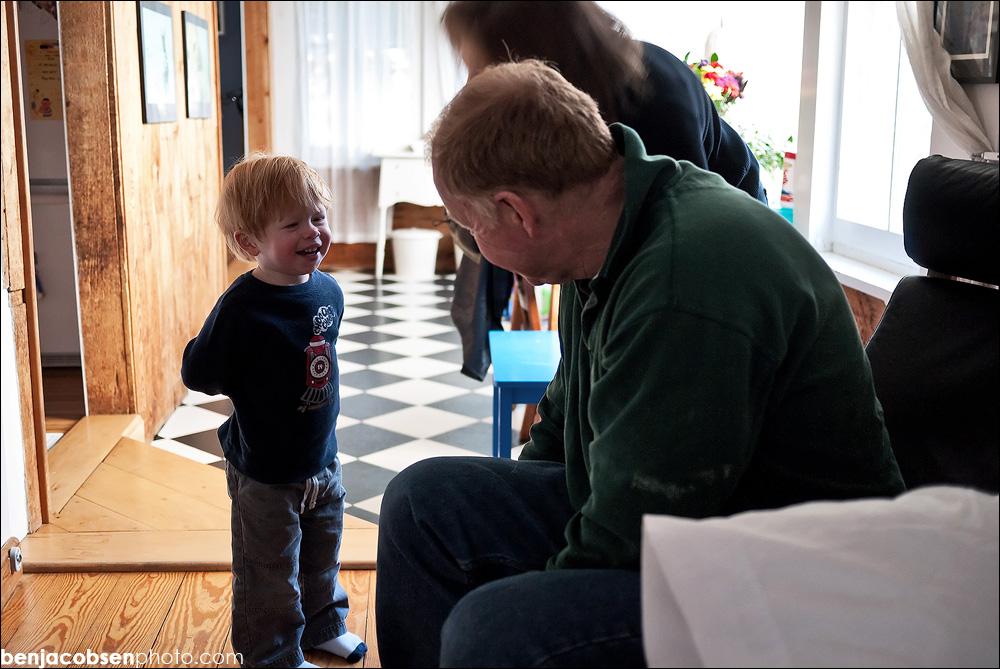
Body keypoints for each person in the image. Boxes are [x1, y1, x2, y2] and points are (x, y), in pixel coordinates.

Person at [375, 60, 906, 667]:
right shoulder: (603, 240)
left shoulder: (684, 282)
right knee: (422, 503)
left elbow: (631, 537)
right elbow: (562, 426)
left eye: (470, 230)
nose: (476, 247)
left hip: (797, 581)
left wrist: (525, 599)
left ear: (517, 212)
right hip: (698, 529)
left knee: (492, 631)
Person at [440, 0, 768, 381]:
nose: (471, 85)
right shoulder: (563, 113)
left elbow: (681, 246)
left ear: (530, 52)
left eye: (479, 69)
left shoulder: (652, 93)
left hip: (727, 268)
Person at [181, 152, 367, 669]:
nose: (312, 232)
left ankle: (324, 627)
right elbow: (199, 371)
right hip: (264, 472)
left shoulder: (328, 291)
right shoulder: (243, 306)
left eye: (318, 217)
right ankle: (273, 655)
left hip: (322, 460)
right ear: (249, 244)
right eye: (292, 224)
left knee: (322, 553)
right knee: (269, 570)